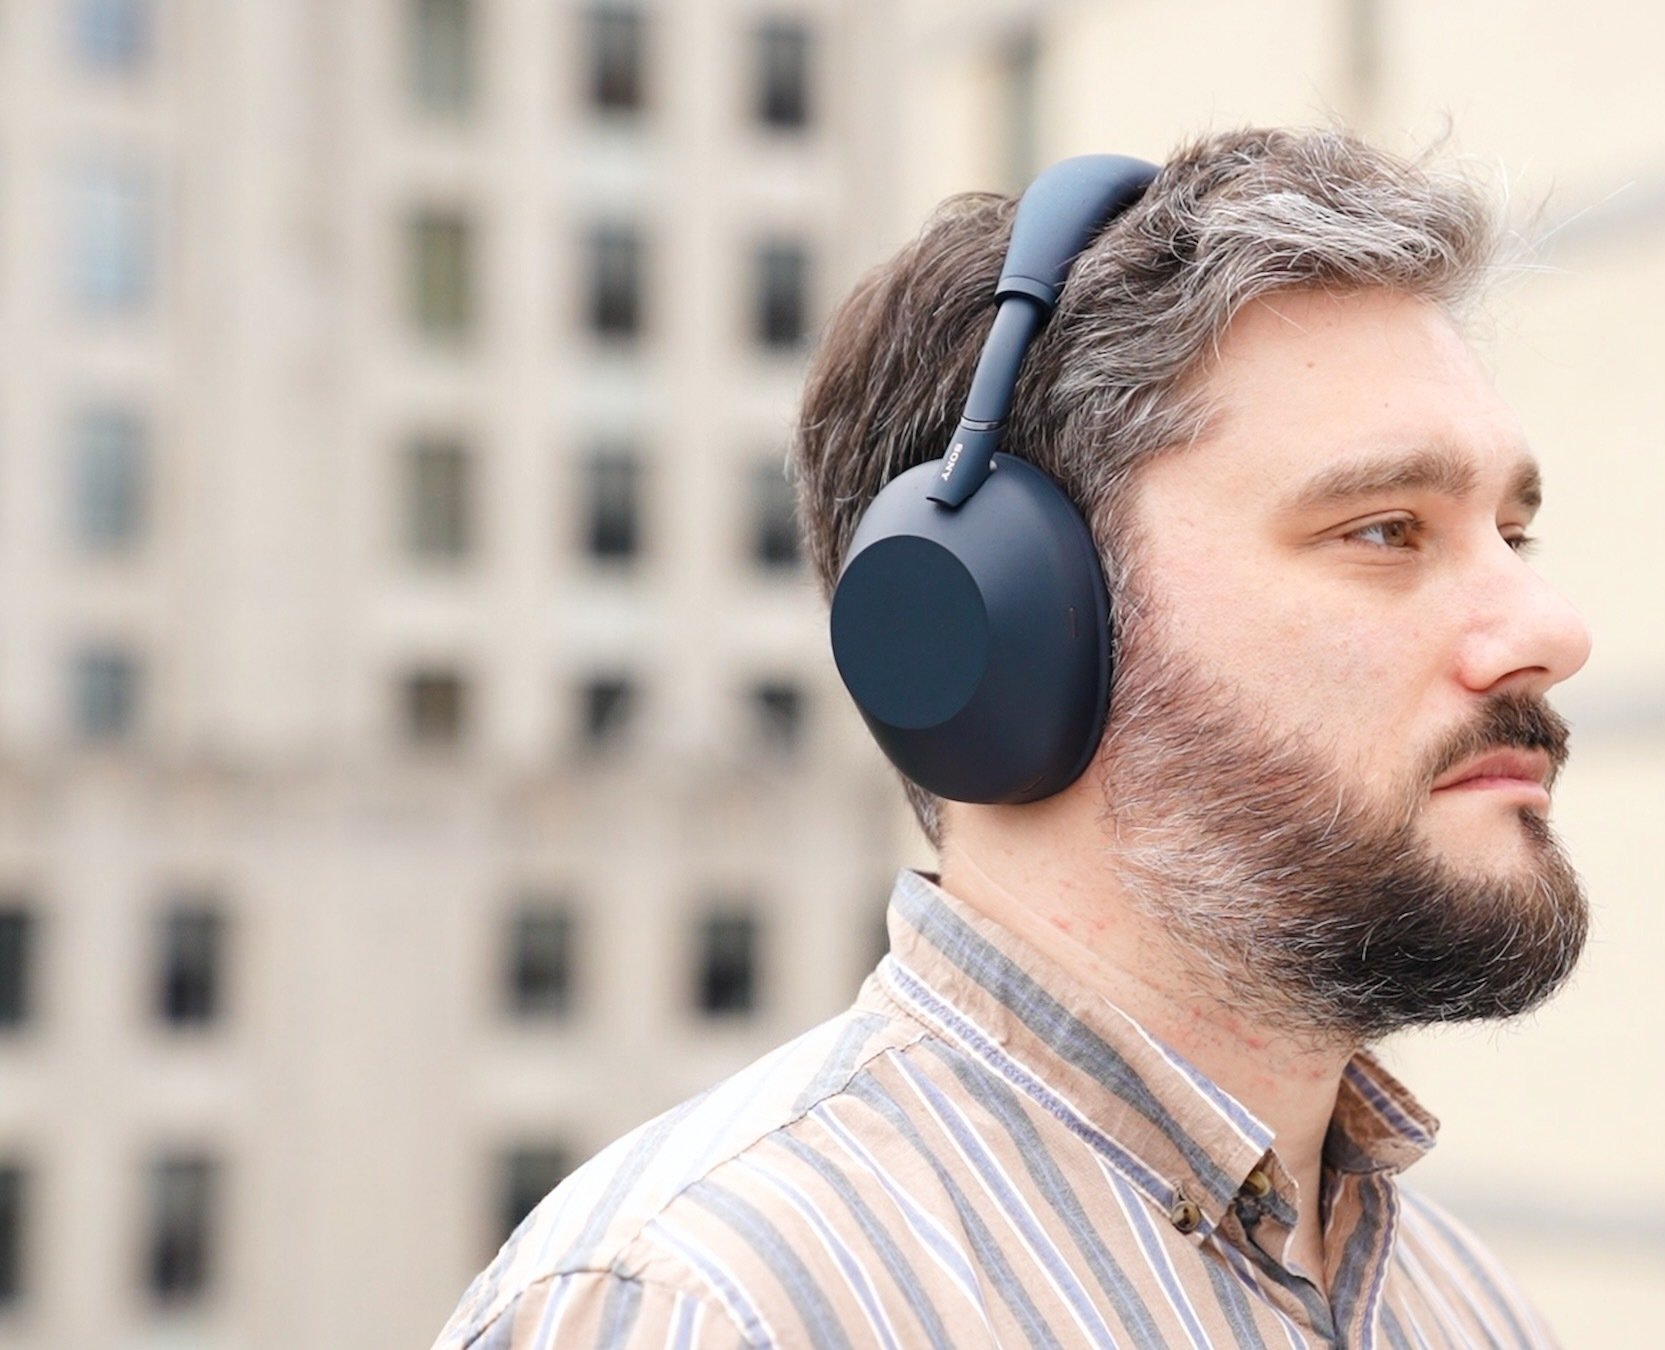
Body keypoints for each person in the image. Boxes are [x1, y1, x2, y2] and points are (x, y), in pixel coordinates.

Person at [432, 124, 1592, 1349]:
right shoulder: (708, 1307)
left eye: (1512, 537)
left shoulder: (1468, 1310)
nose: (1548, 630)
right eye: (1385, 530)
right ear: (1009, 632)